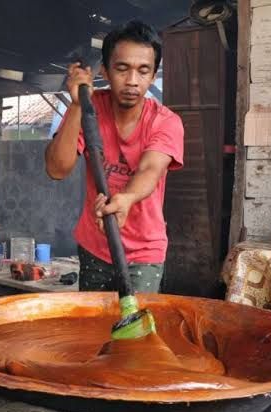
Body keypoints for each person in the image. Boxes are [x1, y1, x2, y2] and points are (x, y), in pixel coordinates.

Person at [45, 20, 184, 293]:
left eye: (143, 71)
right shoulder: (88, 108)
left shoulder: (166, 121)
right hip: (94, 246)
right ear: (105, 72)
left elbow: (150, 170)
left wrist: (127, 198)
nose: (132, 81)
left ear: (153, 74)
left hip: (144, 251)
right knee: (95, 329)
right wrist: (76, 104)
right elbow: (56, 169)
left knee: (135, 331)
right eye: (122, 69)